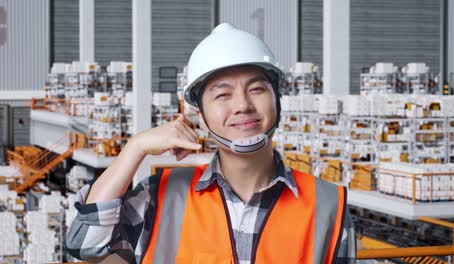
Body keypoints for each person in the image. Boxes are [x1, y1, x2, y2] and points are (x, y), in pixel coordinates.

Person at [65, 23, 356, 264]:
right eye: (222, 95)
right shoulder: (161, 197)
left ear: (278, 102)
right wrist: (136, 147)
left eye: (256, 89)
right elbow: (85, 243)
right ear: (201, 117)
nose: (243, 104)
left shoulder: (329, 204)